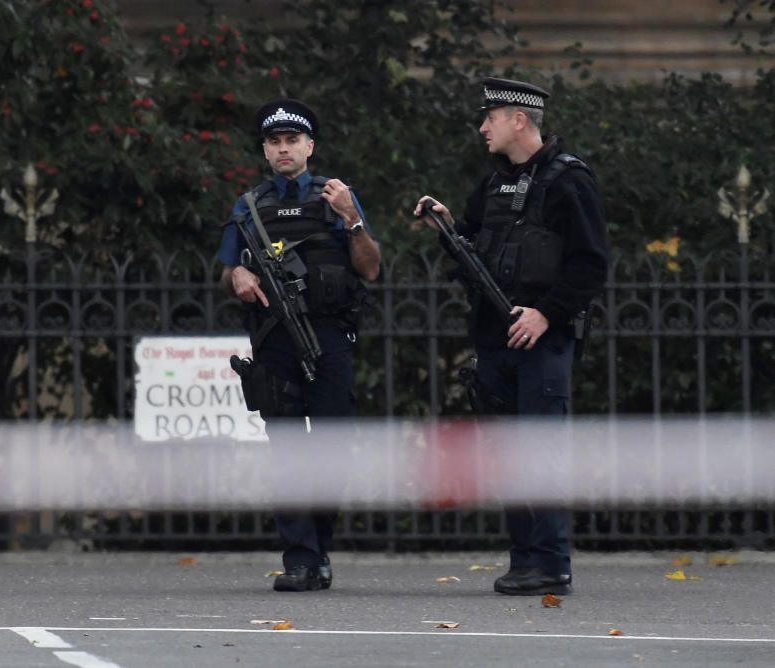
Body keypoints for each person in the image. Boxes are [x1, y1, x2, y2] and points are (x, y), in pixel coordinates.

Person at [414, 77, 608, 596]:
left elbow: (590, 266)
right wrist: (448, 228)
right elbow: (474, 251)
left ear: (519, 120)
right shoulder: (494, 185)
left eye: (490, 118)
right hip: (495, 341)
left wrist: (546, 313)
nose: (483, 127)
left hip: (542, 343)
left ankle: (552, 563)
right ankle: (524, 560)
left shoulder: (570, 181)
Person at [218, 98, 380, 592]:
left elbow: (370, 268)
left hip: (328, 337)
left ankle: (320, 548)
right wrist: (239, 274)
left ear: (310, 146)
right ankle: (299, 559)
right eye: (275, 141)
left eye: (293, 140)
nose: (284, 148)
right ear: (265, 150)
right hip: (275, 341)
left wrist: (351, 218)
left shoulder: (334, 196)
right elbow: (227, 270)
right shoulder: (249, 207)